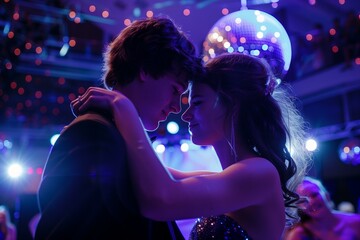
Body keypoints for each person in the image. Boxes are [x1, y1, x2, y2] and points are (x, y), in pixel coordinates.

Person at [72, 52, 311, 239]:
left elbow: (160, 200)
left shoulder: (260, 172)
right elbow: (153, 177)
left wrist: (124, 108)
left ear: (232, 104)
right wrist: (97, 138)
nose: (185, 115)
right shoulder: (232, 177)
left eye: (196, 102)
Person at [35, 17, 202, 240]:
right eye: (174, 90)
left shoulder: (117, 137)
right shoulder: (95, 133)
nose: (175, 106)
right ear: (145, 69)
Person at [283, 176, 360, 240]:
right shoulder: (299, 234)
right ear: (300, 208)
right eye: (304, 200)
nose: (311, 202)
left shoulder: (355, 222)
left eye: (314, 195)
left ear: (326, 195)